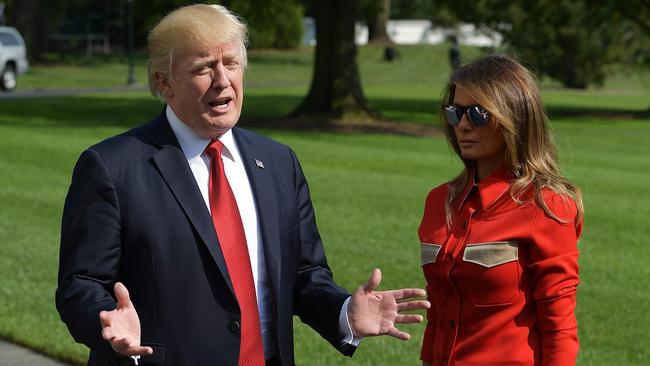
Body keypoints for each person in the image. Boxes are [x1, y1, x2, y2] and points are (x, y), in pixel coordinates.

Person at [56, 4, 430, 366]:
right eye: (203, 68)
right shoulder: (113, 166)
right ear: (163, 83)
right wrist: (105, 323)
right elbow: (81, 284)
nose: (223, 80)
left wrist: (345, 312)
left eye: (231, 63)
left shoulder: (279, 162)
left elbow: (305, 274)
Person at [419, 54, 583, 365]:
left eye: (479, 114)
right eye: (456, 113)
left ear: (513, 117)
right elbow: (438, 315)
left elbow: (559, 326)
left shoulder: (545, 206)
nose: (463, 125)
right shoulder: (438, 202)